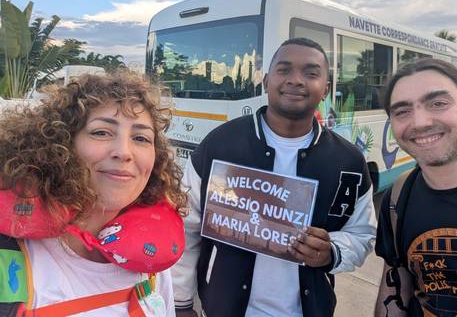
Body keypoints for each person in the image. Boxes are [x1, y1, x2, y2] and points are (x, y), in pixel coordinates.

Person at [172, 37, 377, 317]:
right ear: (267, 80)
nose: (295, 80)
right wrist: (180, 303)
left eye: (311, 73)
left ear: (326, 89)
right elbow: (185, 226)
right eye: (284, 70)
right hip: (223, 308)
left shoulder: (348, 161)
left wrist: (333, 251)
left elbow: (362, 234)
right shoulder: (220, 145)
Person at [0, 72, 188, 316]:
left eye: (141, 138)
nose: (124, 152)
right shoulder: (13, 253)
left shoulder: (152, 263)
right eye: (101, 132)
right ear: (61, 145)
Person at [375, 58, 457, 316]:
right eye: (402, 111)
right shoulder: (398, 198)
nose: (420, 122)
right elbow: (395, 288)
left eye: (438, 103)